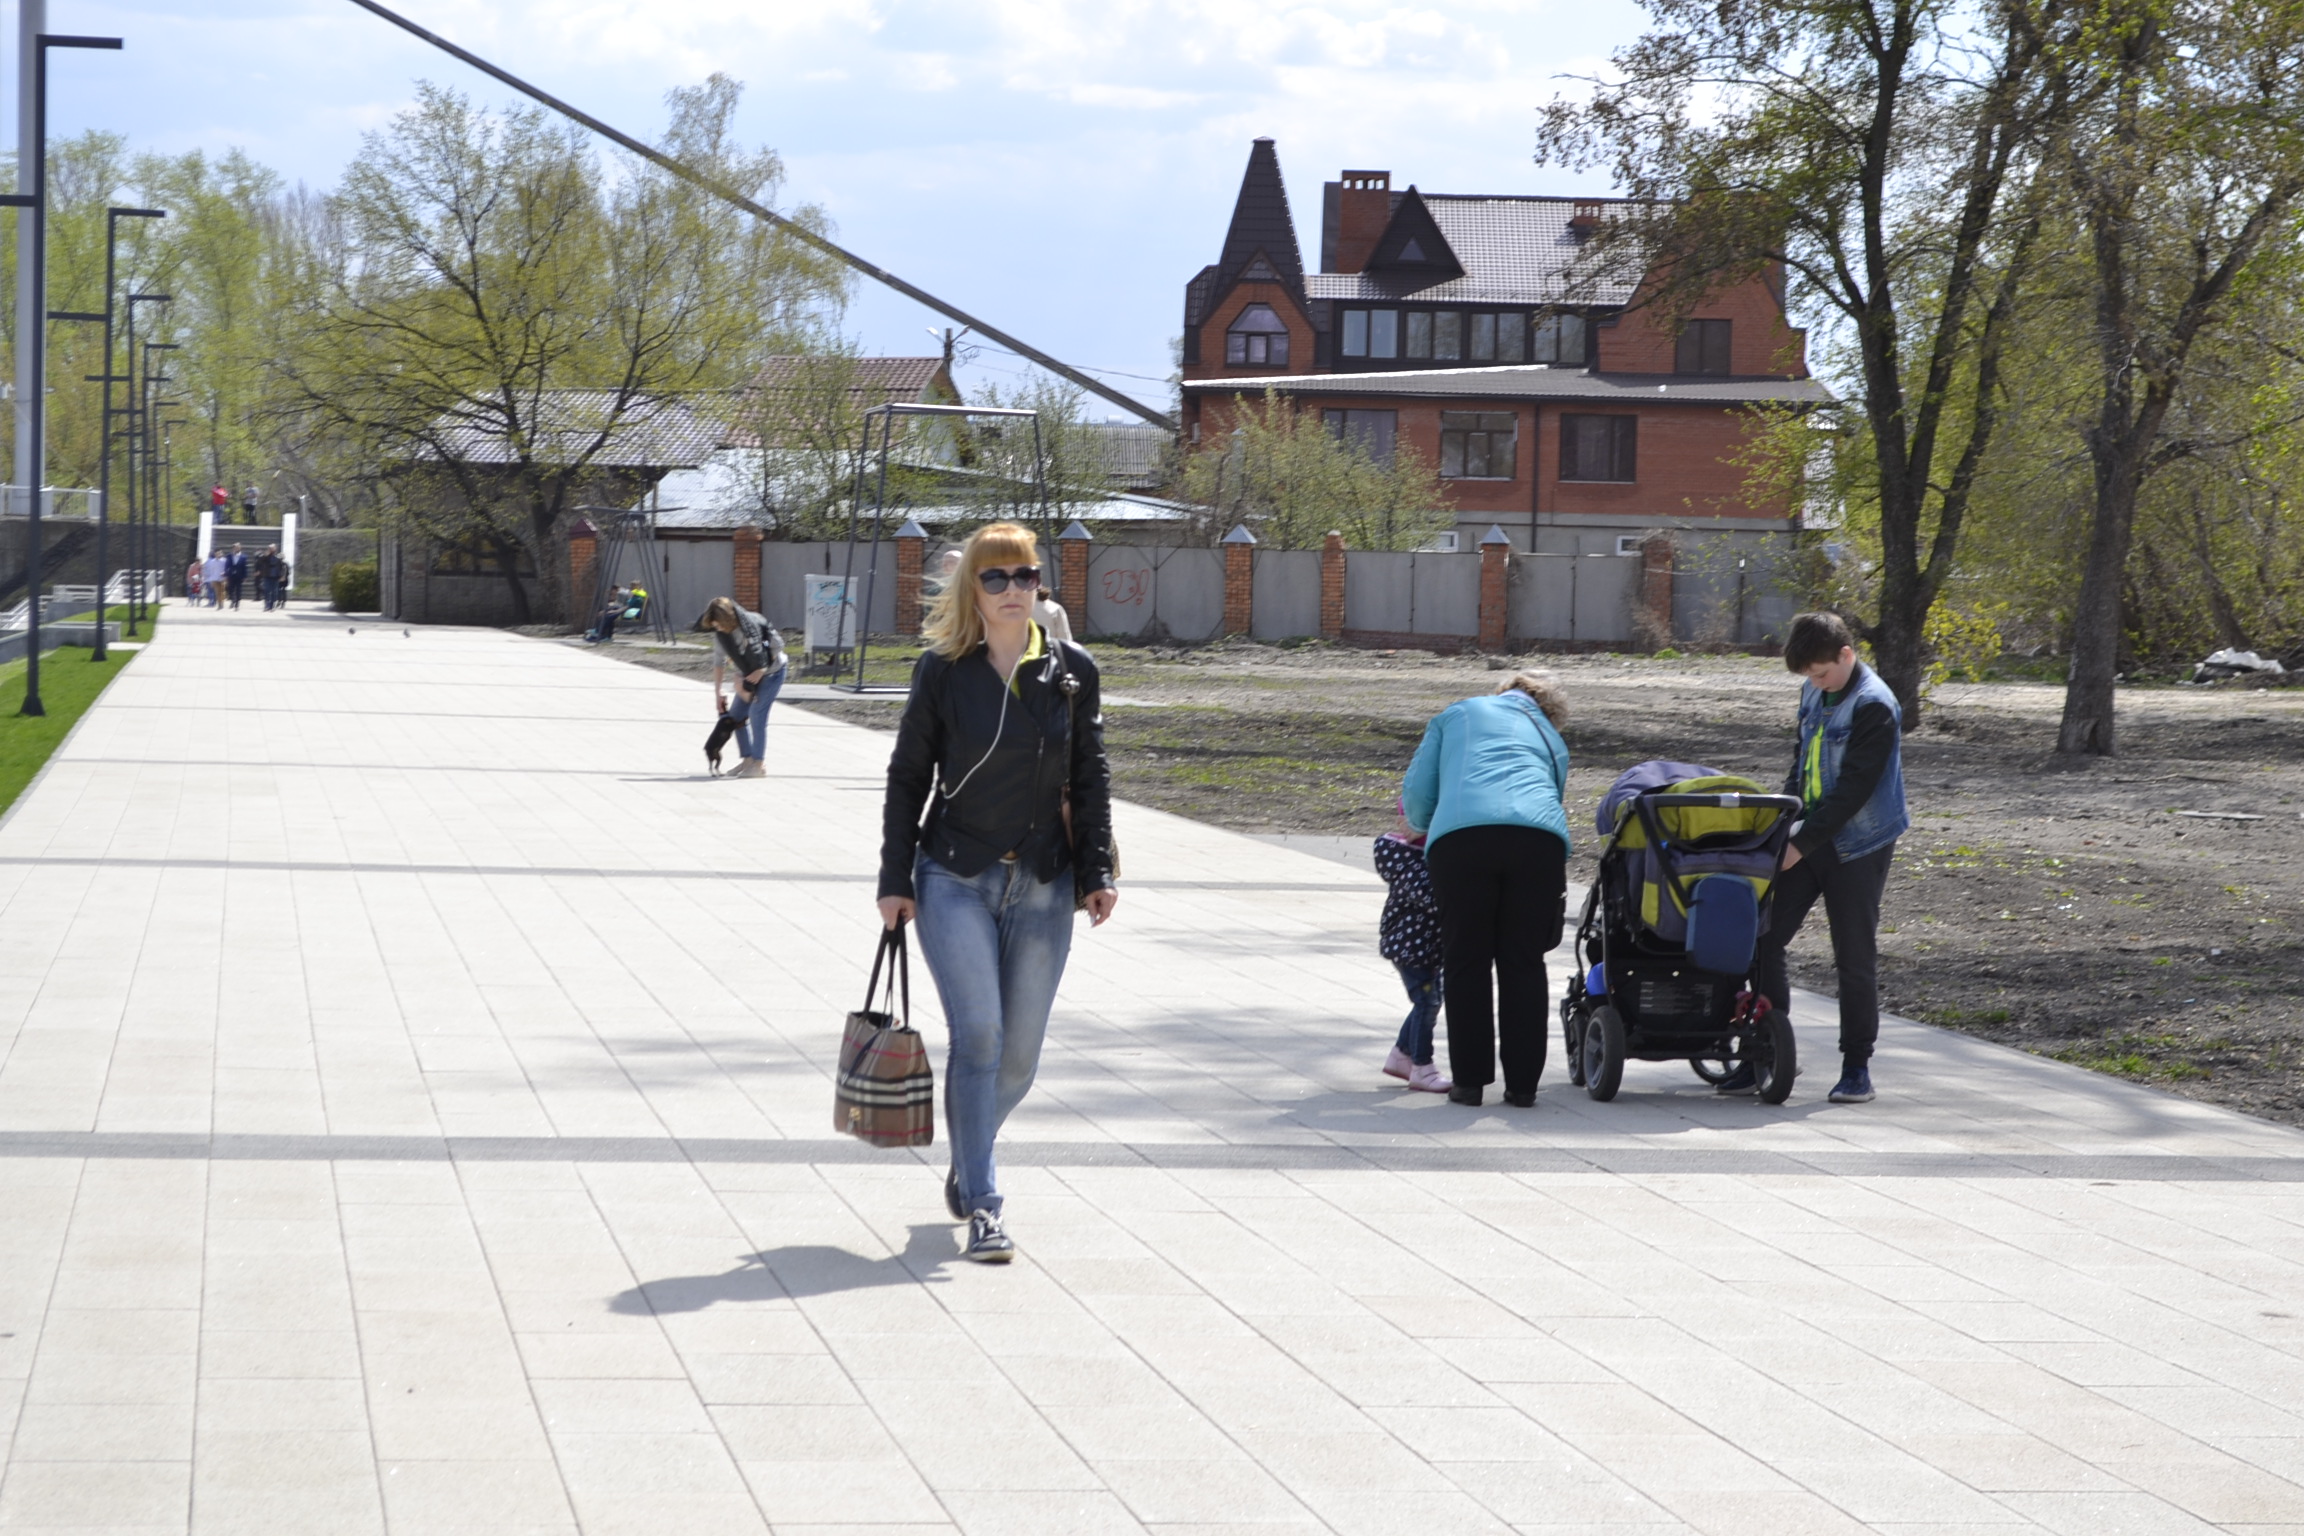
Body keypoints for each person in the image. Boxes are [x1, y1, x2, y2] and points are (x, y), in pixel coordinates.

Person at [877, 521, 1116, 1263]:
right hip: (954, 874)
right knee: (977, 1038)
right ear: (971, 588)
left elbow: (1092, 773)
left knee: (1018, 1059)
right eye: (997, 578)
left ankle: (967, 1151)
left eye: (1026, 576)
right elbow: (908, 777)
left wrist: (1099, 868)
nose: (1015, 590)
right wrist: (894, 879)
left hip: (1045, 880)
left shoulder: (1072, 671)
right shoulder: (943, 670)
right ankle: (984, 1201)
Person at [1742, 612, 1910, 1106]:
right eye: (1808, 678)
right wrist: (1785, 820)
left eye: (1820, 673)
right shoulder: (1814, 691)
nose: (1815, 684)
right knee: (1762, 937)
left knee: (1853, 956)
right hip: (1809, 834)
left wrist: (1802, 843)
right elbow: (1801, 761)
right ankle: (1767, 1052)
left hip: (1860, 843)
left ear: (1846, 655)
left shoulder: (1875, 705)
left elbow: (1855, 790)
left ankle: (1856, 1067)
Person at [1401, 671, 1572, 1108]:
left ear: (1501, 691)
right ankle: (1523, 1086)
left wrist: (1423, 825)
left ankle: (1470, 1082)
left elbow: (1418, 797)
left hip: (1462, 842)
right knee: (1524, 961)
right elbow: (1552, 796)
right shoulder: (1550, 738)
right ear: (1549, 708)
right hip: (1538, 843)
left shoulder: (1457, 714)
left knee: (1466, 960)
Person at [1374, 804, 1452, 1093]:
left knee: (1428, 1000)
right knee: (1427, 1002)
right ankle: (1422, 1066)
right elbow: (1430, 896)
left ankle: (1401, 1055)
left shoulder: (1423, 856)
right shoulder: (1403, 857)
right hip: (1410, 948)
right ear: (1402, 823)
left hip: (1425, 947)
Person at [699, 596, 787, 778]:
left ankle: (758, 764)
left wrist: (762, 669)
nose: (718, 629)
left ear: (728, 618)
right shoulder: (722, 635)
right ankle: (747, 760)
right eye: (715, 626)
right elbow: (719, 662)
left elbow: (778, 645)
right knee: (736, 717)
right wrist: (718, 692)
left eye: (719, 625)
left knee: (756, 714)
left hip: (773, 672)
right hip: (747, 676)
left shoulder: (754, 622)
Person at [224, 544, 250, 610]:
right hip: (231, 575)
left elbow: (245, 567)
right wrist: (226, 575)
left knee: (238, 590)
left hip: (239, 576)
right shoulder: (229, 556)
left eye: (238, 548)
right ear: (233, 548)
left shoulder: (243, 557)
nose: (236, 549)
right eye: (235, 548)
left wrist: (245, 576)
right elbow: (226, 566)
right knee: (230, 589)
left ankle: (237, 604)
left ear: (240, 548)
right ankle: (232, 600)